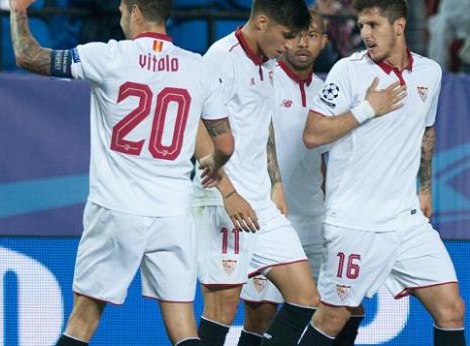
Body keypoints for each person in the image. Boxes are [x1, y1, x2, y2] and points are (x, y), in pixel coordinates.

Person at [9, 0, 235, 345]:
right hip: (173, 212)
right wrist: (212, 165)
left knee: (84, 319)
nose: (120, 16)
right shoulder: (198, 67)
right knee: (184, 328)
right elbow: (226, 145)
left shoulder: (109, 57)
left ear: (136, 11)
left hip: (117, 207)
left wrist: (18, 11)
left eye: (122, 10)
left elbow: (28, 56)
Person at [299, 0, 465, 345]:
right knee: (333, 317)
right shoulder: (349, 70)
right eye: (361, 26)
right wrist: (367, 109)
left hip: (406, 222)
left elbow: (427, 133)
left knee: (451, 310)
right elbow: (313, 134)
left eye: (374, 25)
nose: (365, 34)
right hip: (355, 222)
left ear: (399, 26)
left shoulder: (429, 73)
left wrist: (425, 190)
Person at [192, 1, 321, 345]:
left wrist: (276, 182)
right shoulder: (221, 58)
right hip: (221, 199)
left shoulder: (269, 64)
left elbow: (263, 127)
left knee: (306, 298)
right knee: (222, 308)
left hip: (260, 202)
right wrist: (228, 193)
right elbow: (197, 127)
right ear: (261, 22)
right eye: (286, 36)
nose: (290, 46)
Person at [236, 10, 363, 346]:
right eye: (296, 35)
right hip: (271, 216)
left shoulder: (327, 92)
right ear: (285, 37)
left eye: (313, 35)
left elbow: (326, 159)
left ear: (324, 41)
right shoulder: (265, 78)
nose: (303, 43)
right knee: (261, 312)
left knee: (347, 306)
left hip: (316, 218)